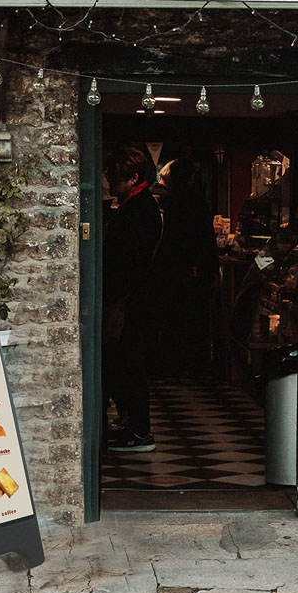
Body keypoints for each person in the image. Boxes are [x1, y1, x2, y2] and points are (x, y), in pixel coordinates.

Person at [102, 146, 162, 453]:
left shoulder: (138, 210)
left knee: (129, 364)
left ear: (133, 177)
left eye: (114, 177)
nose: (109, 183)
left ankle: (139, 431)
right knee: (125, 363)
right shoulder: (139, 206)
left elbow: (125, 261)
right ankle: (132, 425)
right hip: (132, 298)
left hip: (130, 300)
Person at [150, 158, 218, 374]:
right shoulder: (198, 202)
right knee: (193, 318)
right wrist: (210, 267)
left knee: (170, 318)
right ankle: (193, 364)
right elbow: (206, 238)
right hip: (192, 269)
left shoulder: (166, 203)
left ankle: (169, 363)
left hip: (169, 268)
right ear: (191, 178)